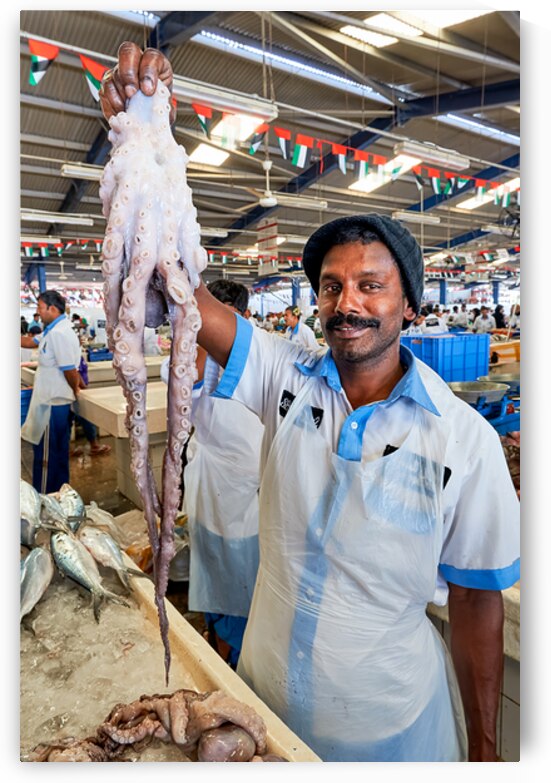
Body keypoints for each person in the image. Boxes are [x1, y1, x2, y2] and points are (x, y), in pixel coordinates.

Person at [101, 45, 520, 763]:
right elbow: (181, 297)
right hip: (263, 712)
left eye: (370, 285)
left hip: (389, 732)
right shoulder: (284, 377)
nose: (346, 302)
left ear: (410, 308)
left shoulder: (463, 440)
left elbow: (475, 601)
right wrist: (145, 137)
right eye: (330, 286)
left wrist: (484, 748)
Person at [161, 279, 265, 668]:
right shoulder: (192, 354)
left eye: (227, 319)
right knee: (213, 575)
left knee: (243, 585)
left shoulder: (260, 355)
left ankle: (238, 663)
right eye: (210, 320)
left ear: (244, 317)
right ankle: (217, 645)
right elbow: (181, 387)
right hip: (209, 489)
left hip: (247, 496)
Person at [20, 290, 83, 493]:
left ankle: (47, 500)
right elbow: (31, 342)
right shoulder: (51, 331)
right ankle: (60, 497)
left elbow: (69, 370)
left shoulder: (59, 333)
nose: (37, 312)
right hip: (49, 403)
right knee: (56, 455)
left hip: (53, 405)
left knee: (47, 459)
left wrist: (75, 389)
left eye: (39, 308)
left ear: (52, 309)